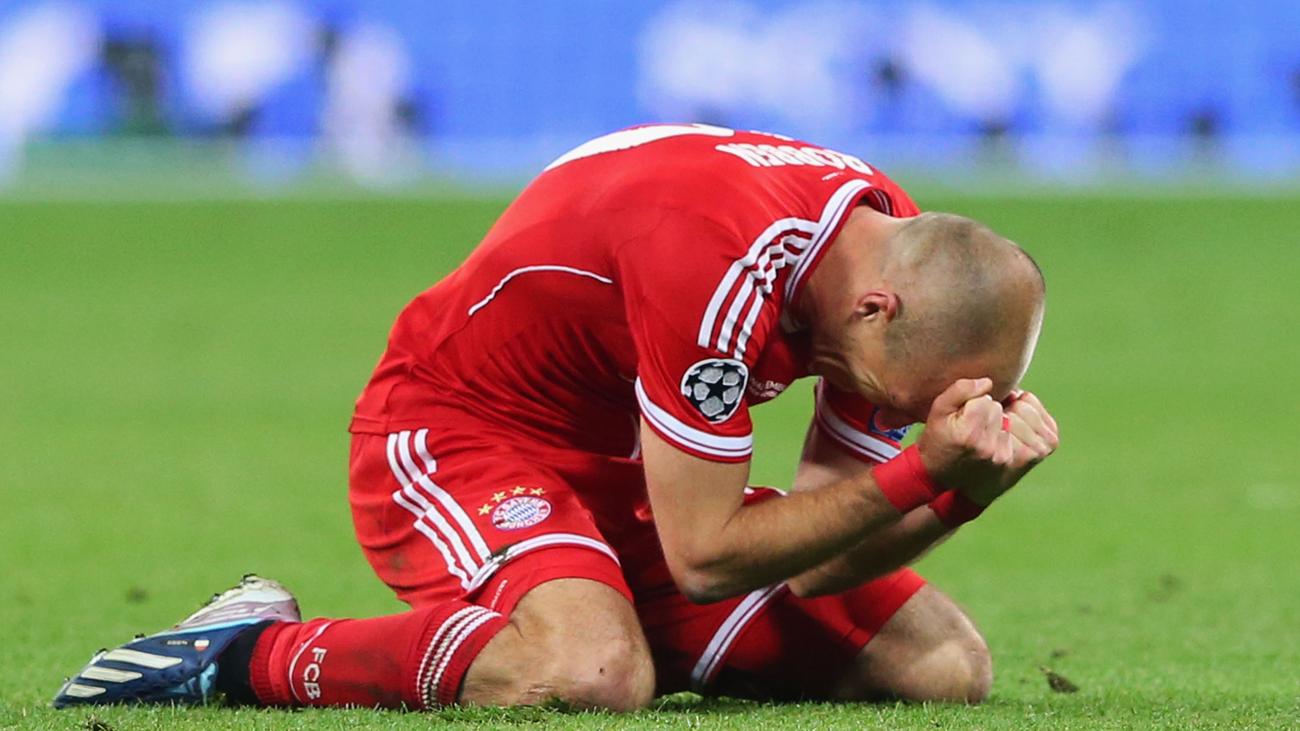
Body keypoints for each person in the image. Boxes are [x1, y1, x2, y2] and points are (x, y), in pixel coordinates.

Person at [54, 124, 1059, 711]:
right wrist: (918, 474)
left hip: (638, 471)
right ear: (874, 310)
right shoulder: (718, 262)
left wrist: (957, 490)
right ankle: (246, 652)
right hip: (456, 434)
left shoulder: (888, 260)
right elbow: (712, 556)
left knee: (942, 666)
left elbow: (818, 555)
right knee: (592, 670)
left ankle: (592, 606)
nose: (913, 416)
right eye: (912, 402)